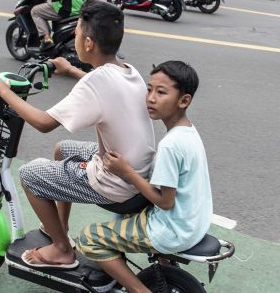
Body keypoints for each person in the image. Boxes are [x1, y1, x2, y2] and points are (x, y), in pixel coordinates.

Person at [0, 0, 155, 269]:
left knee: (29, 174)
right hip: (138, 170)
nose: (74, 37)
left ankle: (62, 249)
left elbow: (43, 123)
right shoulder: (128, 71)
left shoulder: (96, 82)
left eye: (76, 33)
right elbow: (100, 86)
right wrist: (71, 69)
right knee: (63, 149)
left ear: (88, 43)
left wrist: (3, 91)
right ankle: (58, 227)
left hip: (118, 182)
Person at [78, 61, 212, 293]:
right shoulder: (188, 132)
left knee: (88, 238)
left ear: (184, 100)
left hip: (171, 229)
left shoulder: (171, 145)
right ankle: (162, 262)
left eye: (161, 92)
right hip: (193, 222)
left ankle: (139, 290)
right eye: (149, 89)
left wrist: (126, 172)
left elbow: (164, 201)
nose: (150, 98)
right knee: (124, 218)